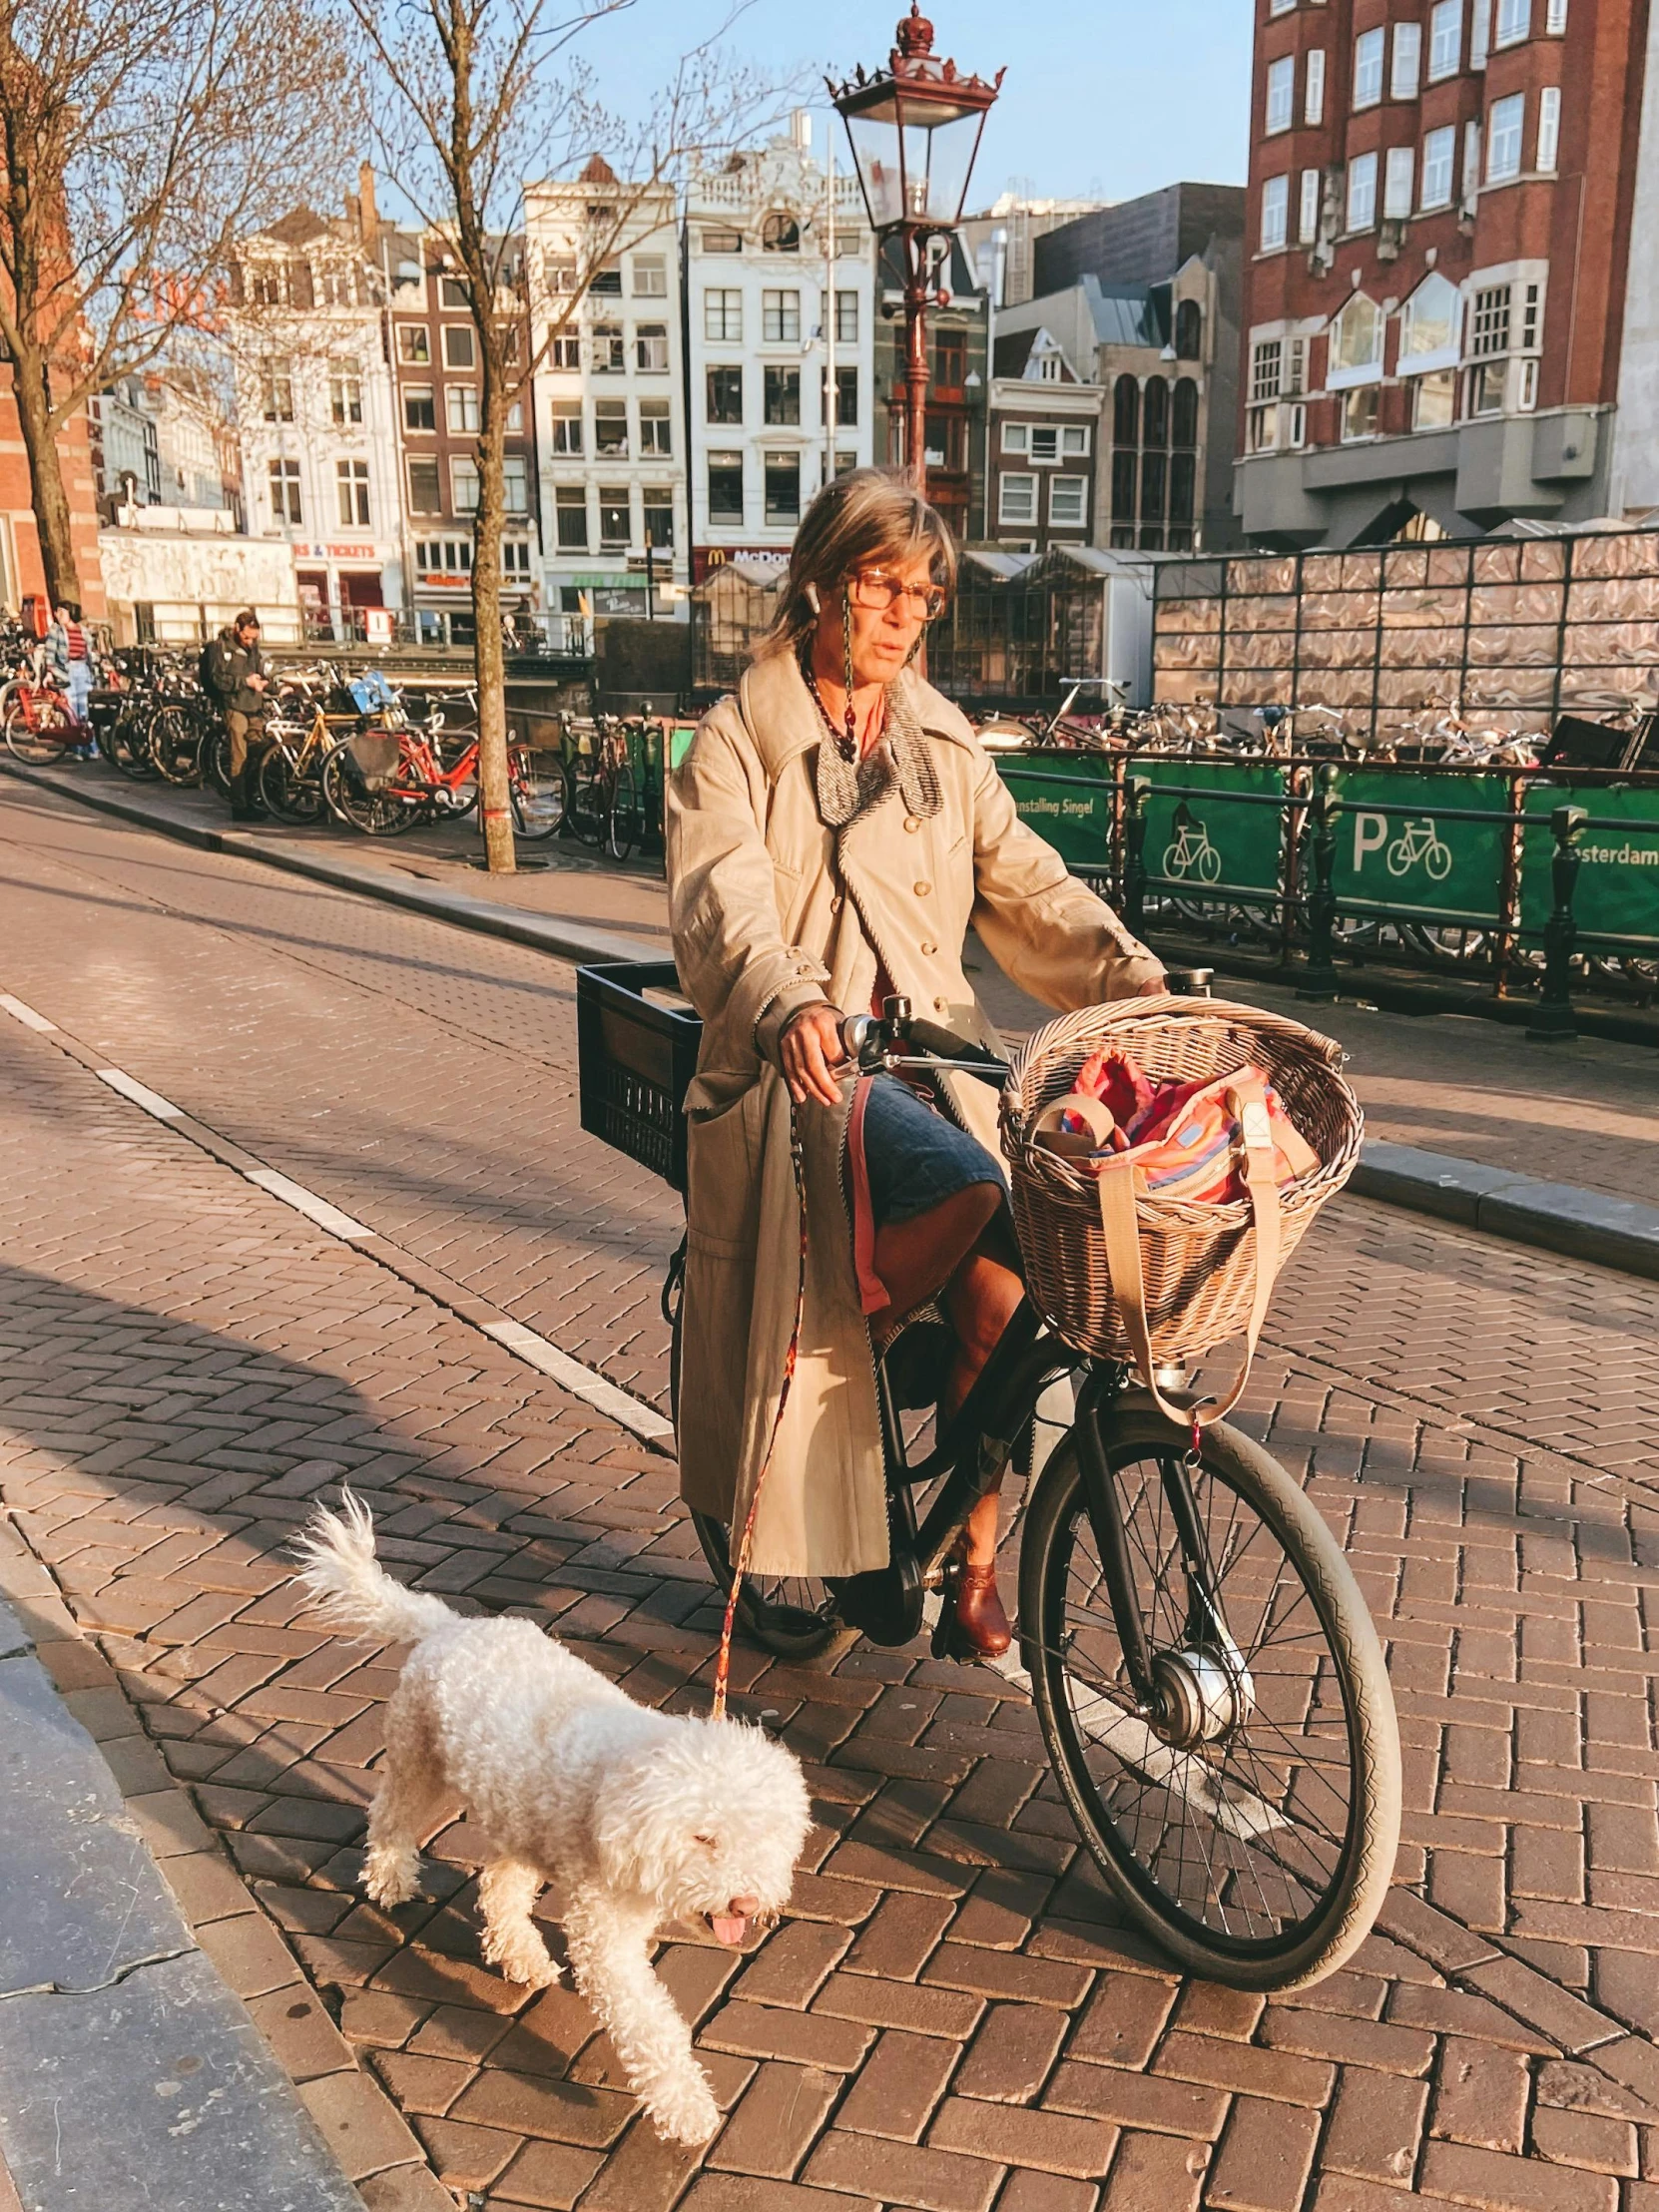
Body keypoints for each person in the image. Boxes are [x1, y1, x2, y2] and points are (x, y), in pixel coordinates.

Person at [666, 470, 1164, 1660]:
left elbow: (1025, 879)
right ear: (827, 582)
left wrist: (1131, 973)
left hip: (935, 1056)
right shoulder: (740, 740)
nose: (905, 618)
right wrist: (788, 997)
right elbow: (723, 897)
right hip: (809, 1070)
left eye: (924, 599)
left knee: (1021, 1280)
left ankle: (975, 1559)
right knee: (978, 1191)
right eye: (886, 590)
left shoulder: (940, 739)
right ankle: (863, 1326)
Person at [203, 609, 271, 821]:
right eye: (246, 637)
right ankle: (240, 806)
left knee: (260, 752)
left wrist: (271, 685)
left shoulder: (253, 646)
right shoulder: (220, 648)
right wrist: (244, 682)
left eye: (254, 638)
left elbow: (258, 670)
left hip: (254, 705)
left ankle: (253, 797)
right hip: (234, 707)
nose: (250, 642)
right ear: (236, 629)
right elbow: (217, 679)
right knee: (239, 756)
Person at [46, 605, 96, 755]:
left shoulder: (83, 630)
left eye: (62, 612)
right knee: (72, 710)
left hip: (82, 670)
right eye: (57, 612)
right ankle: (77, 749)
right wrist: (49, 672)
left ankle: (91, 746)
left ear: (70, 613)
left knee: (85, 709)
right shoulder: (56, 630)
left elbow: (90, 652)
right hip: (65, 671)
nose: (58, 615)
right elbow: (50, 652)